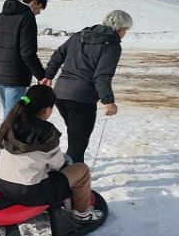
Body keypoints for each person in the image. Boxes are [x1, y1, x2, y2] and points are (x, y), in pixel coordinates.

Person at [0, 85, 103, 222]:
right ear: (47, 109)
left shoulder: (9, 123)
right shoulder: (46, 131)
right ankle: (82, 213)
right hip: (30, 193)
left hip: (2, 186)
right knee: (81, 170)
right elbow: (58, 164)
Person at [41, 10, 132, 163]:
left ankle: (70, 171)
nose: (124, 34)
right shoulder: (112, 44)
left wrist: (48, 76)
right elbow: (102, 75)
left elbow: (58, 55)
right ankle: (72, 179)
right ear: (119, 28)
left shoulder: (80, 35)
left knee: (75, 136)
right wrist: (107, 100)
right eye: (125, 30)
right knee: (78, 143)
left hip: (61, 94)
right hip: (82, 98)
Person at [0, 0, 48, 118]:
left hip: (0, 74)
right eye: (40, 8)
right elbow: (27, 53)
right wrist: (41, 76)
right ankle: (8, 139)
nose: (39, 13)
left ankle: (5, 138)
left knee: (8, 114)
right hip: (16, 77)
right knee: (13, 117)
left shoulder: (1, 16)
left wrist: (1, 64)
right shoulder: (27, 17)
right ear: (35, 2)